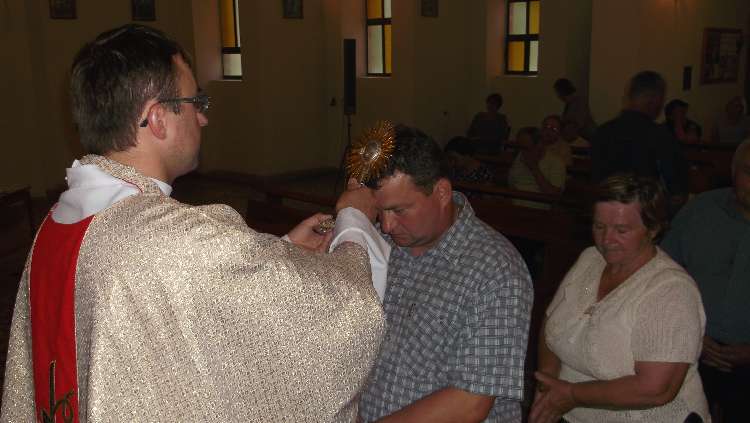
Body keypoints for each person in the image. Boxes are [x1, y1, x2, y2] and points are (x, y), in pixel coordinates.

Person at [1, 24, 387, 422]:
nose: (202, 118)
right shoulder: (179, 238)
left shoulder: (59, 223)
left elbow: (163, 311)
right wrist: (354, 219)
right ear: (158, 119)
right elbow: (346, 313)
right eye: (194, 102)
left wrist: (282, 251)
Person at [357, 126, 534, 423]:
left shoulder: (496, 270)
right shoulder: (378, 242)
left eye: (399, 210)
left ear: (441, 192)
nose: (386, 225)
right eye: (380, 211)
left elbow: (470, 402)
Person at [531, 174, 709, 423]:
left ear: (653, 229)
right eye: (599, 226)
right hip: (569, 412)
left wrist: (571, 394)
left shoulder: (671, 290)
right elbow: (552, 322)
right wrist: (548, 382)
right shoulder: (590, 259)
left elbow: (657, 389)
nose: (606, 240)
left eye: (621, 230)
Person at [661, 140, 750, 422]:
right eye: (749, 171)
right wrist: (692, 333)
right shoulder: (701, 210)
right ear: (733, 172)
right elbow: (661, 272)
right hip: (691, 346)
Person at [591, 70, 689, 209]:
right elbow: (676, 189)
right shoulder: (659, 136)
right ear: (654, 100)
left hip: (606, 210)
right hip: (644, 213)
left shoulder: (602, 132)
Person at [508, 126, 566, 209]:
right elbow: (511, 183)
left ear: (539, 145)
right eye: (520, 147)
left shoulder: (556, 163)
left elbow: (554, 194)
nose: (523, 152)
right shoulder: (519, 156)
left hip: (537, 206)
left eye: (526, 148)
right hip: (514, 203)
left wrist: (534, 168)